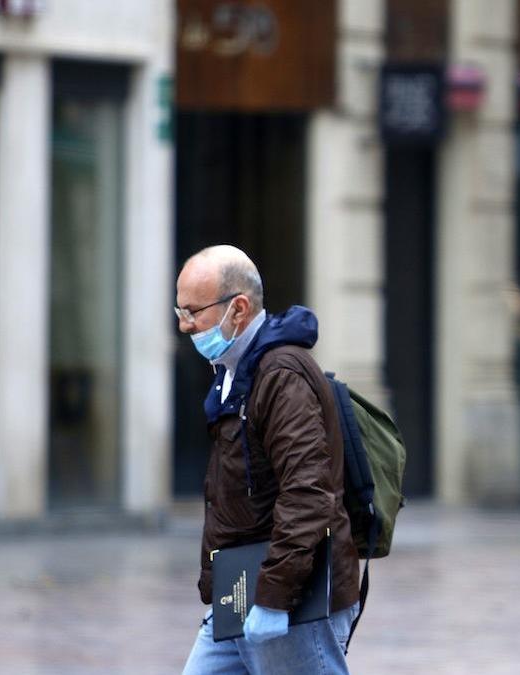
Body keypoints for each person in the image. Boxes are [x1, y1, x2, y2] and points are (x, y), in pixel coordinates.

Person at [177, 245, 360, 674]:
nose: (185, 326)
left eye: (192, 312)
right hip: (241, 591)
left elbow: (308, 493)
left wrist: (274, 598)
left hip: (290, 600)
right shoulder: (235, 372)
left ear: (237, 309)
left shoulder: (280, 376)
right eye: (179, 311)